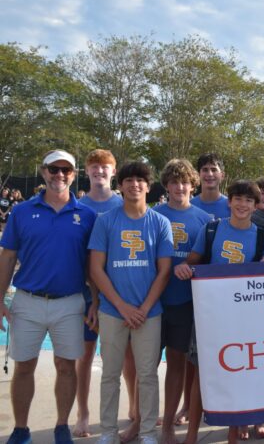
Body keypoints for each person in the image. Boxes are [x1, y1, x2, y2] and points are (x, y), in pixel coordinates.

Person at [1, 150, 97, 444]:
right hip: (27, 300)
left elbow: (93, 264)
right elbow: (8, 256)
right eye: (53, 170)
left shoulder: (87, 216)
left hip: (70, 302)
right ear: (43, 172)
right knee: (24, 366)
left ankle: (61, 426)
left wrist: (96, 301)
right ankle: (20, 429)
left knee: (67, 367)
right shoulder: (21, 211)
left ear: (74, 174)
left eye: (65, 170)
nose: (59, 175)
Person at [174, 180, 264, 444]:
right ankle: (192, 434)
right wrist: (181, 268)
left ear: (255, 205)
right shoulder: (212, 229)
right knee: (201, 376)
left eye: (248, 200)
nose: (242, 205)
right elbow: (191, 263)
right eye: (238, 199)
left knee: (242, 372)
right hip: (210, 316)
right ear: (229, 202)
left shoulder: (263, 237)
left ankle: (237, 427)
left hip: (245, 319)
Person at [89, 161, 174, 444]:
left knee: (148, 375)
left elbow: (164, 271)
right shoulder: (106, 221)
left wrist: (145, 308)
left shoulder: (160, 223)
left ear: (148, 187)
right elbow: (96, 269)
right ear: (120, 185)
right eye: (128, 180)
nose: (134, 184)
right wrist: (122, 306)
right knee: (110, 375)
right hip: (114, 311)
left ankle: (148, 432)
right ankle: (109, 432)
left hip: (149, 313)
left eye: (140, 180)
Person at [153, 159, 211, 444]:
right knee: (146, 365)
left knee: (176, 362)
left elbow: (209, 262)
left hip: (185, 302)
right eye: (174, 182)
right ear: (166, 185)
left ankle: (167, 425)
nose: (179, 187)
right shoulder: (154, 215)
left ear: (192, 184)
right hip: (154, 301)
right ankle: (142, 420)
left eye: (184, 182)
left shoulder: (203, 220)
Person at [73, 149, 124, 438]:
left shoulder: (126, 204)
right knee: (86, 354)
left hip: (121, 293)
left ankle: (135, 410)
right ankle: (83, 413)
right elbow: (84, 260)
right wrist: (93, 299)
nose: (99, 171)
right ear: (86, 171)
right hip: (87, 294)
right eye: (94, 167)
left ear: (113, 172)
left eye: (104, 167)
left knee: (126, 357)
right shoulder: (78, 207)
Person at [191, 153, 230, 219]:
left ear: (222, 175)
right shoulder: (189, 205)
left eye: (214, 170)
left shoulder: (232, 207)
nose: (209, 174)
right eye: (205, 170)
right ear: (198, 175)